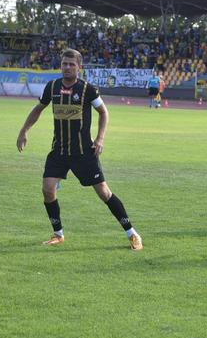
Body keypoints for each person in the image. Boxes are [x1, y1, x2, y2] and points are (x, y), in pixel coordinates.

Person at [16, 48, 143, 251]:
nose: (67, 67)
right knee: (48, 189)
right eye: (64, 64)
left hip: (84, 152)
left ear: (79, 67)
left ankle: (132, 233)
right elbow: (38, 108)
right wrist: (24, 130)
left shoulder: (87, 89)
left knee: (104, 192)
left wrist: (100, 138)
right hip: (59, 151)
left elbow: (103, 112)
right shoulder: (53, 87)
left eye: (71, 64)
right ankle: (58, 234)